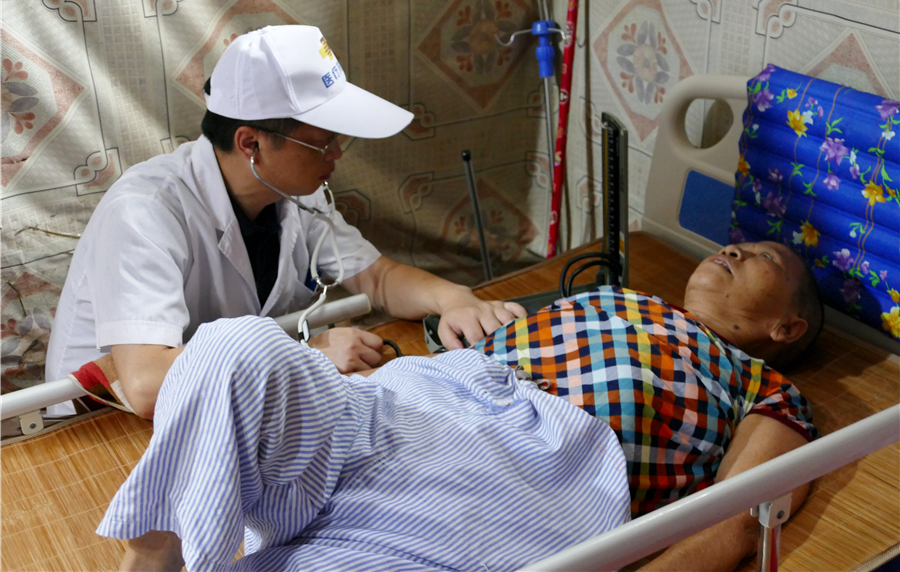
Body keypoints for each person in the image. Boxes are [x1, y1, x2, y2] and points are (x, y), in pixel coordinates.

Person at [98, 240, 824, 572]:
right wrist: (457, 317)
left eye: (765, 256)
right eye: (737, 244)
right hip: (417, 398)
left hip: (524, 477)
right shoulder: (617, 295)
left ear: (786, 328)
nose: (735, 250)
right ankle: (158, 558)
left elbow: (739, 519)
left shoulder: (763, 388)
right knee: (236, 346)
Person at [45, 25, 526, 419]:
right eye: (323, 142)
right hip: (101, 427)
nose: (337, 155)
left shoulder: (295, 192)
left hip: (230, 400)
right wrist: (308, 358)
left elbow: (378, 278)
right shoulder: (146, 211)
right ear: (251, 143)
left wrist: (453, 299)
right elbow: (147, 384)